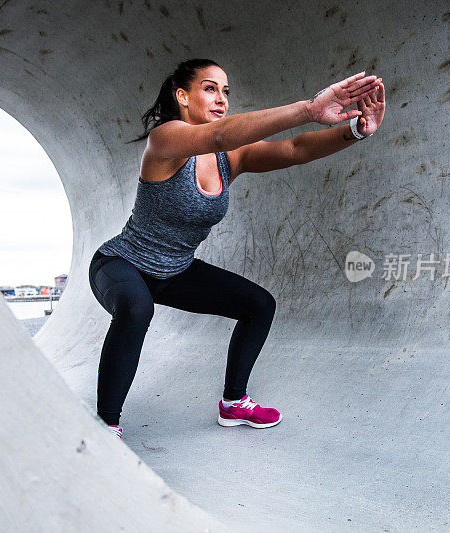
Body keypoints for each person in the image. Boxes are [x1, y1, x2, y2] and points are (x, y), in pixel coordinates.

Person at [89, 59, 386, 439]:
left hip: (175, 271)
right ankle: (106, 425)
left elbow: (294, 149)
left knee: (259, 305)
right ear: (182, 96)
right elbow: (218, 135)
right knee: (136, 307)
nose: (221, 98)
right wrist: (309, 109)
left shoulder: (230, 157)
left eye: (226, 91)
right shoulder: (164, 140)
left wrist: (355, 131)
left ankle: (234, 404)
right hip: (122, 263)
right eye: (210, 88)